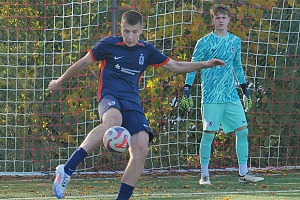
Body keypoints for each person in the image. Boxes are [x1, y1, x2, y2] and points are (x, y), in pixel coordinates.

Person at [49, 10, 225, 199]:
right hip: (110, 96)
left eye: (134, 32)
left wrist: (205, 64)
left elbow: (175, 66)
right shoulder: (109, 45)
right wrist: (60, 81)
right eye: (126, 31)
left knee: (141, 146)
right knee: (112, 122)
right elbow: (83, 63)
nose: (130, 36)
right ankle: (66, 170)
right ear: (121, 29)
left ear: (141, 30)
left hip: (132, 102)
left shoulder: (146, 50)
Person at [180, 4, 264, 185]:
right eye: (217, 17)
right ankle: (204, 175)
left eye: (223, 18)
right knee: (209, 134)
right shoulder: (204, 42)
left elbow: (237, 67)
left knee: (243, 132)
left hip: (231, 96)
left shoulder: (235, 41)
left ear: (228, 20)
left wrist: (245, 91)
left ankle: (243, 173)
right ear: (212, 20)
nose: (220, 20)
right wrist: (186, 89)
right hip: (211, 97)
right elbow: (193, 66)